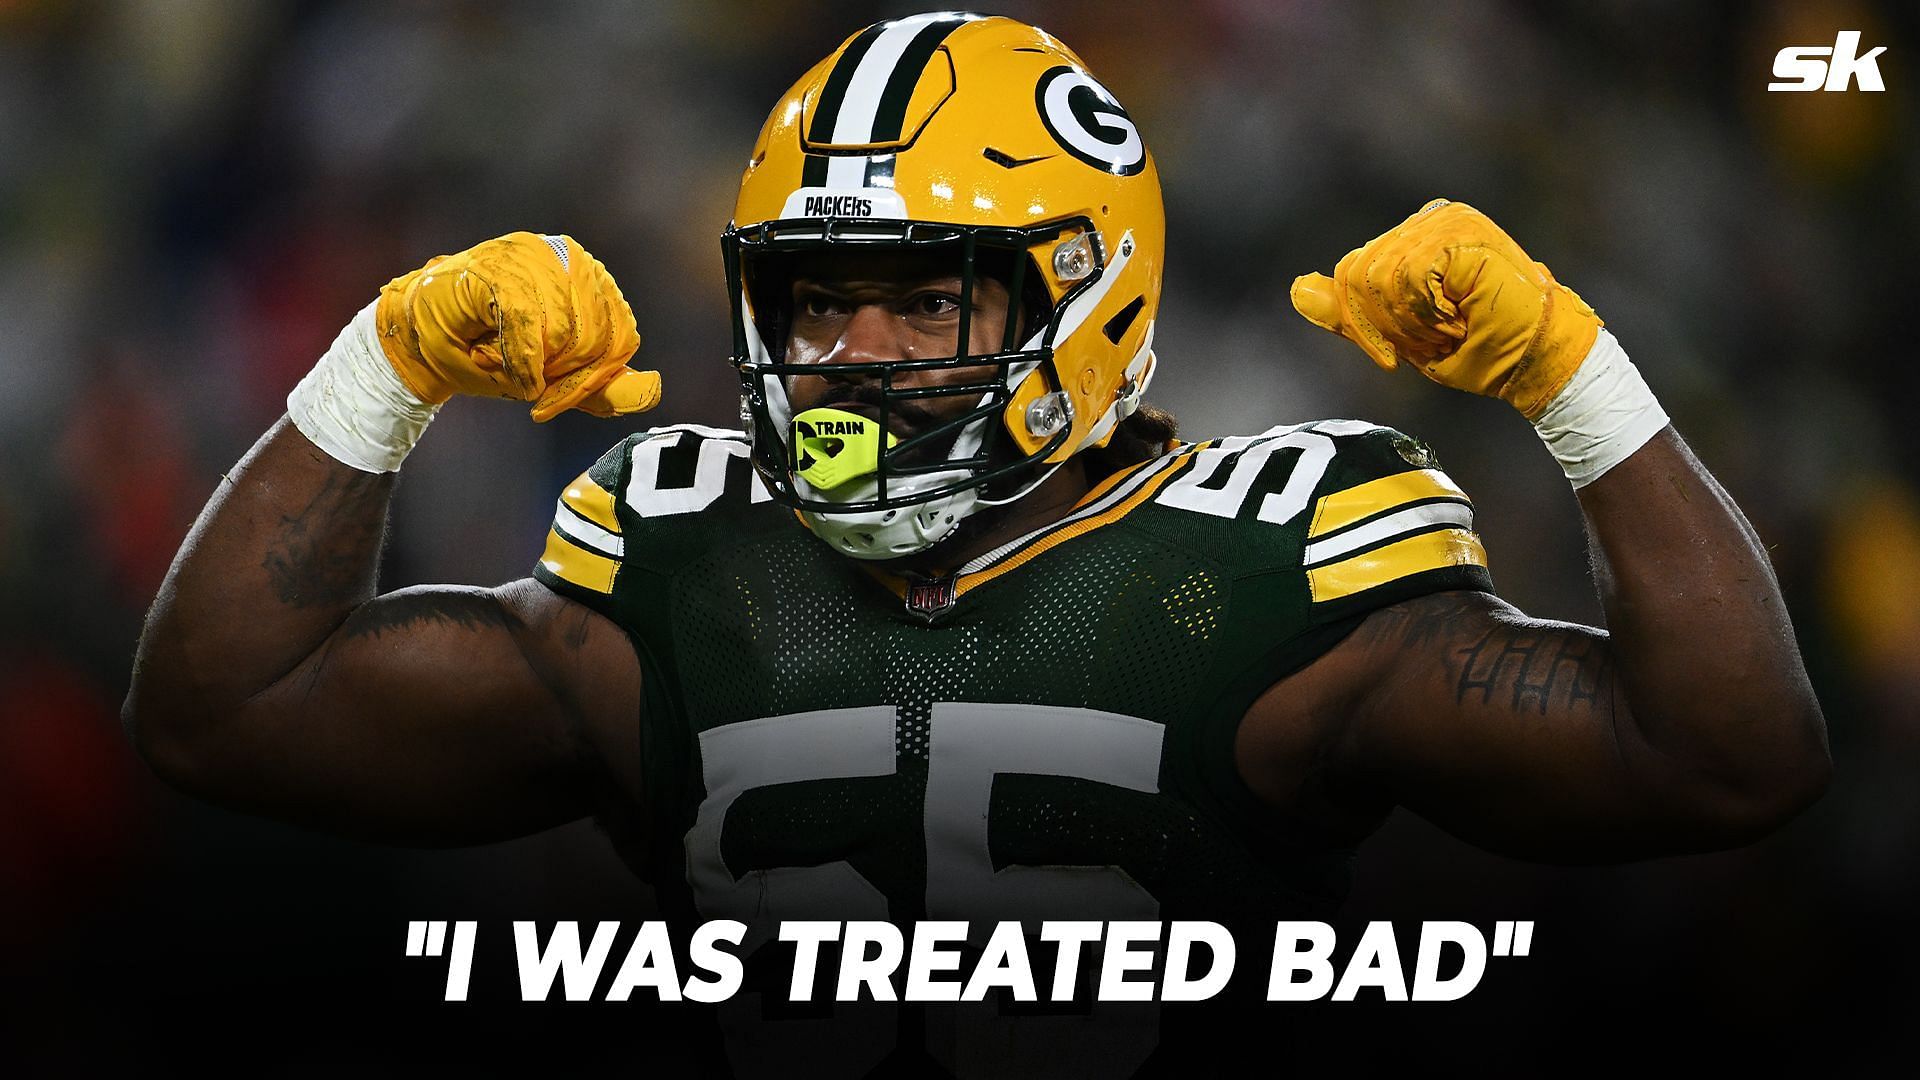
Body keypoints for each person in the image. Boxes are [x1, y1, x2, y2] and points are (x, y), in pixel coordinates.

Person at [124, 10, 1829, 1077]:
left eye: (920, 296)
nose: (852, 357)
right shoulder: (680, 551)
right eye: (813, 300)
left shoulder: (1269, 563)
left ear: (1090, 299)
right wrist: (391, 364)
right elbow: (222, 713)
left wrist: (1569, 376)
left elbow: (1724, 762)